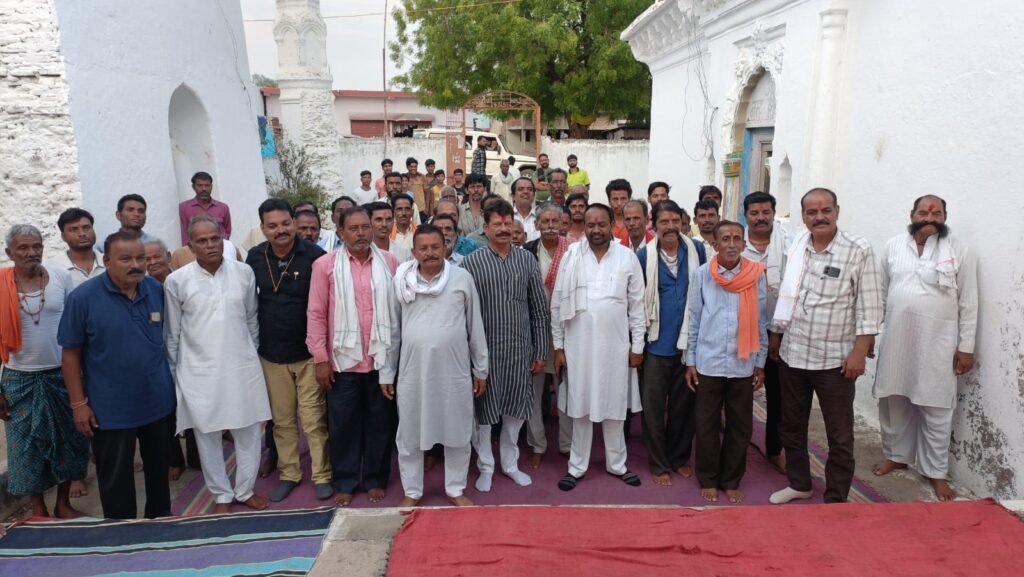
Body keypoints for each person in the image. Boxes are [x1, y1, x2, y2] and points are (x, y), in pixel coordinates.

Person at [769, 188, 882, 505]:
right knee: (791, 427)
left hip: (835, 361)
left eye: (825, 210)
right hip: (794, 354)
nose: (819, 217)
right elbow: (787, 295)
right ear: (804, 216)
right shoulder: (797, 245)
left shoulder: (858, 250)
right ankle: (799, 483)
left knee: (839, 435)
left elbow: (870, 306)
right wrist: (776, 334)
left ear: (837, 212)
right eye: (812, 212)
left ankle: (836, 498)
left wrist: (859, 352)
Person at [58, 232, 176, 519]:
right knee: (115, 480)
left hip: (157, 401)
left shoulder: (154, 289)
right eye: (126, 259)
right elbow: (70, 354)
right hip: (110, 409)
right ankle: (122, 533)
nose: (135, 265)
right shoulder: (83, 298)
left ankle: (160, 522)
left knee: (159, 471)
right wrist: (78, 404)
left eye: (140, 258)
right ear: (107, 261)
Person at [871, 195, 977, 501]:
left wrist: (966, 347)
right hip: (896, 338)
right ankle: (897, 456)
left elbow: (969, 302)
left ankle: (935, 472)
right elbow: (879, 294)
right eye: (923, 212)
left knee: (937, 407)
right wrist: (869, 335)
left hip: (939, 343)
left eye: (937, 213)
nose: (930, 217)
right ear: (912, 214)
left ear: (945, 217)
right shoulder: (893, 246)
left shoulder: (959, 250)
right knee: (893, 401)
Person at [165, 215, 272, 513]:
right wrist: (174, 377)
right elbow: (172, 333)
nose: (210, 245)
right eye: (202, 241)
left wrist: (250, 355)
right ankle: (221, 495)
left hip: (241, 366)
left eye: (215, 238)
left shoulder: (243, 272)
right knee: (207, 434)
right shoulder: (177, 281)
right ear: (190, 246)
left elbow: (251, 319)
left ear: (223, 239)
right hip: (198, 371)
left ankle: (245, 490)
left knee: (249, 430)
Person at [382, 225, 489, 507]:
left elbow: (475, 327)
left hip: (454, 372)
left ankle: (455, 488)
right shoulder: (402, 280)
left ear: (445, 248)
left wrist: (481, 369)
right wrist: (386, 373)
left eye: (435, 247)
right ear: (414, 251)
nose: (429, 253)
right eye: (423, 248)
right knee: (409, 434)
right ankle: (412, 491)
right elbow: (393, 330)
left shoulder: (462, 278)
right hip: (412, 373)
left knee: (458, 431)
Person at [307, 206, 399, 506]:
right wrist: (320, 358)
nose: (361, 233)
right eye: (354, 228)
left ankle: (375, 478)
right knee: (343, 425)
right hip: (343, 361)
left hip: (380, 360)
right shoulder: (325, 265)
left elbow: (397, 311)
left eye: (365, 227)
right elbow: (316, 313)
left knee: (380, 423)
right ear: (341, 232)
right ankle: (345, 480)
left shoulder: (389, 262)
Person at [551, 204, 645, 492]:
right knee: (580, 406)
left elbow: (637, 306)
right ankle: (576, 466)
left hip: (615, 347)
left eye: (601, 224)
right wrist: (558, 346)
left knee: (614, 406)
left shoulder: (627, 257)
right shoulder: (571, 256)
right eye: (590, 225)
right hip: (578, 346)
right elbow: (557, 302)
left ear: (612, 224)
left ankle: (617, 464)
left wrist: (638, 346)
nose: (595, 230)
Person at [245, 200, 333, 503]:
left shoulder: (316, 256)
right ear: (263, 228)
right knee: (281, 421)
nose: (280, 230)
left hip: (308, 353)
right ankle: (289, 473)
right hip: (271, 353)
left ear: (294, 223)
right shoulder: (254, 258)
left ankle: (322, 475)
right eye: (273, 226)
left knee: (313, 419)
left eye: (285, 223)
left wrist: (323, 354)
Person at [460, 200, 550, 492]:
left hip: (519, 351)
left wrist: (540, 351)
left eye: (507, 223)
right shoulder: (471, 263)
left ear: (514, 226)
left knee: (516, 410)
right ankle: (485, 466)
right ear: (485, 228)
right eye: (496, 224)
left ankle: (510, 465)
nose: (502, 229)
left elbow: (539, 309)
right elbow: (463, 313)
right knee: (484, 415)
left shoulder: (526, 260)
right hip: (484, 354)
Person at [1, 225, 89, 519]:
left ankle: (63, 503)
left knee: (69, 440)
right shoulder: (1, 284)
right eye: (23, 248)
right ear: (9, 252)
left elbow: (77, 323)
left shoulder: (61, 277)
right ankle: (38, 508)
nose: (32, 252)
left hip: (62, 375)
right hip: (18, 378)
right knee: (26, 447)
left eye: (36, 246)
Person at [685, 220, 768, 503]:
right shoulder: (702, 275)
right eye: (725, 239)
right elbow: (694, 319)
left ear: (744, 243)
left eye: (736, 238)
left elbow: (760, 320)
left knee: (740, 425)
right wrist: (690, 361)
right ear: (715, 244)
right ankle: (708, 478)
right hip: (708, 361)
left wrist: (760, 363)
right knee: (706, 424)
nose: (731, 244)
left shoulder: (755, 275)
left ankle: (731, 479)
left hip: (743, 362)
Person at [635, 200, 706, 487]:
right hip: (655, 345)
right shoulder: (643, 256)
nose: (671, 227)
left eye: (675, 221)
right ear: (654, 225)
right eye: (664, 222)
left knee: (684, 406)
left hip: (688, 345)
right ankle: (658, 462)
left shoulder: (697, 251)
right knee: (653, 408)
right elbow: (636, 302)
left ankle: (678, 457)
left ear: (683, 222)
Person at [142, 238, 199, 480]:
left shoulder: (184, 280)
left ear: (167, 256)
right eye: (147, 258)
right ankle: (174, 459)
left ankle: (197, 455)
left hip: (190, 353)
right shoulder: (143, 288)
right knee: (166, 411)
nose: (153, 262)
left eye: (157, 256)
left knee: (193, 404)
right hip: (157, 357)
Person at [742, 191, 790, 470]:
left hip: (781, 332)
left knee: (778, 395)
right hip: (742, 332)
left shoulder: (790, 245)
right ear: (746, 216)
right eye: (754, 213)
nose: (760, 218)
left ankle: (774, 448)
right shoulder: (736, 244)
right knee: (738, 393)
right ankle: (736, 448)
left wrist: (776, 331)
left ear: (773, 213)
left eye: (766, 212)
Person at [523, 204, 572, 467]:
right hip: (535, 331)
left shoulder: (573, 251)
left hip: (566, 329)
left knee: (566, 390)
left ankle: (567, 445)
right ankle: (537, 444)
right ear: (537, 224)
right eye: (545, 220)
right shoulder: (527, 251)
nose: (551, 225)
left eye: (555, 220)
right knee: (534, 391)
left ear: (562, 223)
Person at [51, 208, 105, 289]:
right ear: (63, 237)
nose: (82, 234)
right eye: (73, 229)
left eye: (86, 227)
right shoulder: (52, 269)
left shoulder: (111, 263)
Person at [178, 171, 232, 245]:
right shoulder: (184, 208)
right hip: (197, 249)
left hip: (222, 248)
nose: (204, 189)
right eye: (200, 185)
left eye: (207, 185)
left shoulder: (223, 207)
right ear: (193, 187)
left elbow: (227, 231)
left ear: (211, 187)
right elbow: (185, 234)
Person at [512, 177, 540, 242]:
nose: (525, 192)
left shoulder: (541, 217)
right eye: (521, 189)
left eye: (529, 189)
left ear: (534, 195)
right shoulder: (507, 217)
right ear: (513, 196)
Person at [606, 179, 633, 245]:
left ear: (629, 199)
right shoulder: (603, 223)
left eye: (623, 199)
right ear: (609, 201)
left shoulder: (635, 223)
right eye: (615, 199)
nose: (619, 203)